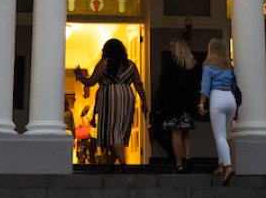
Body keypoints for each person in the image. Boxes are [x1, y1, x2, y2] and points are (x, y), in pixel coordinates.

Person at [74, 38, 147, 169]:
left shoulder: (104, 63)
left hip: (110, 96)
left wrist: (79, 76)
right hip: (127, 96)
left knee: (111, 132)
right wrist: (144, 101)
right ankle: (111, 165)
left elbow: (91, 82)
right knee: (120, 131)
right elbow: (138, 84)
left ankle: (123, 163)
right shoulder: (130, 65)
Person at [155, 37, 202, 172]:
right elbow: (197, 86)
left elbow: (164, 85)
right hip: (188, 103)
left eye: (173, 48)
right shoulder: (194, 66)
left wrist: (160, 104)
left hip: (173, 104)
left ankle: (179, 164)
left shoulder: (171, 64)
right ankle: (188, 157)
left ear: (178, 49)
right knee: (186, 132)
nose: (171, 51)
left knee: (175, 133)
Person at [197, 37, 237, 186]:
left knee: (219, 136)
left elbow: (205, 86)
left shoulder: (208, 64)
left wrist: (201, 103)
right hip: (230, 98)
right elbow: (235, 83)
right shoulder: (228, 65)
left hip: (217, 97)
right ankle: (221, 165)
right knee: (224, 134)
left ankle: (227, 166)